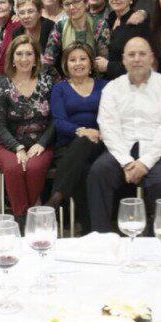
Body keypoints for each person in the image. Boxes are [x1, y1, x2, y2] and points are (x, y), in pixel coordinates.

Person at [88, 37, 161, 233]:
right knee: (99, 172)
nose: (136, 59)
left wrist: (145, 162)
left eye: (142, 54)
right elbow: (108, 127)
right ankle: (102, 236)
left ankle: (159, 240)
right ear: (123, 60)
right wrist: (126, 162)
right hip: (123, 148)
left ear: (151, 58)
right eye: (131, 55)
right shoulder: (112, 88)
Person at [0, 35, 56, 222]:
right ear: (12, 58)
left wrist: (42, 143)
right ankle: (23, 218)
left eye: (29, 54)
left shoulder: (47, 83)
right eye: (19, 54)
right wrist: (17, 147)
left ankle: (31, 214)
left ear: (36, 58)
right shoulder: (2, 86)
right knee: (14, 168)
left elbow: (55, 120)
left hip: (41, 143)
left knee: (35, 168)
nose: (24, 59)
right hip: (10, 143)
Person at [47, 43, 107, 217]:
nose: (78, 63)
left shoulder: (105, 86)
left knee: (86, 144)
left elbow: (113, 117)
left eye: (83, 58)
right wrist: (81, 131)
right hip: (67, 145)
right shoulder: (60, 88)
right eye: (72, 60)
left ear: (91, 63)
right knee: (84, 170)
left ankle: (56, 197)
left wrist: (99, 133)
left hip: (99, 143)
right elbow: (58, 122)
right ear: (66, 64)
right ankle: (88, 229)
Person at [42, 0, 109, 77]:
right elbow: (47, 62)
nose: (72, 7)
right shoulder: (60, 26)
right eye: (67, 4)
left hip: (95, 82)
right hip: (68, 82)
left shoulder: (100, 24)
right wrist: (62, 82)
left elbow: (102, 62)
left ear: (86, 2)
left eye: (76, 1)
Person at [95, 0, 151, 80]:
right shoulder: (109, 20)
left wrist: (109, 66)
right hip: (109, 84)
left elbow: (141, 64)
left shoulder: (138, 23)